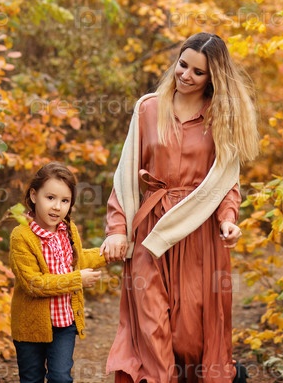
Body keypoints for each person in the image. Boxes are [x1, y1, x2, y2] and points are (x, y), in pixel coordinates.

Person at [100, 32, 260, 383]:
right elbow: (125, 175)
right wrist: (117, 230)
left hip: (198, 234)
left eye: (197, 72)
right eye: (182, 65)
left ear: (213, 78)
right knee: (151, 330)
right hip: (150, 233)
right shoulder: (148, 108)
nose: (185, 75)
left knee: (189, 339)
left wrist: (229, 219)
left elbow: (226, 182)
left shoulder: (221, 118)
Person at [9, 162, 107, 383]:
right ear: (34, 195)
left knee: (61, 377)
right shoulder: (21, 236)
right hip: (30, 327)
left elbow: (78, 260)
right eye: (50, 198)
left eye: (65, 201)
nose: (57, 207)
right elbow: (33, 283)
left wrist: (107, 253)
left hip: (64, 323)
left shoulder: (68, 229)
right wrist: (77, 280)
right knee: (31, 378)